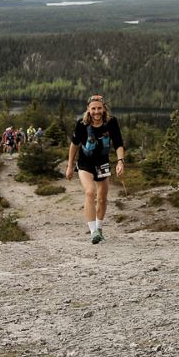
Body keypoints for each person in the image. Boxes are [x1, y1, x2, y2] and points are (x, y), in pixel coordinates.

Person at [64, 94, 126, 244]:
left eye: (99, 108)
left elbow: (118, 143)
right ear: (88, 109)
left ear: (104, 108)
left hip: (103, 163)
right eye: (93, 108)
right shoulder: (82, 124)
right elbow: (74, 144)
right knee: (90, 191)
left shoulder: (111, 122)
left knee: (103, 198)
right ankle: (93, 232)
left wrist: (120, 162)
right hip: (85, 163)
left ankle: (99, 228)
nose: (96, 112)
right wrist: (70, 165)